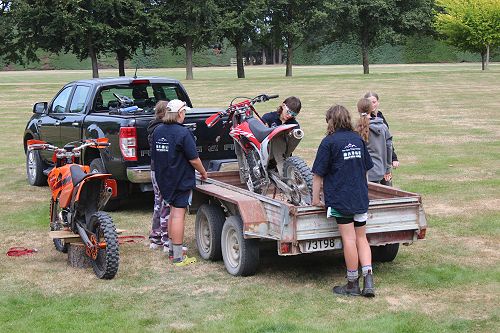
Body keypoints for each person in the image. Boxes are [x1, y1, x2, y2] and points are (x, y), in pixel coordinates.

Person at [311, 105, 375, 297]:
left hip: (341, 198)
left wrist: (315, 199)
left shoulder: (328, 142)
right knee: (362, 238)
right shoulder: (358, 139)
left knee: (349, 239)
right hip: (360, 197)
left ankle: (352, 284)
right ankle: (369, 281)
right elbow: (365, 170)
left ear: (330, 121)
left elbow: (317, 175)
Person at [151, 99, 208, 266]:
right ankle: (178, 257)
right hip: (180, 179)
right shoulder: (183, 133)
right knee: (178, 215)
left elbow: (155, 156)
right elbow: (194, 159)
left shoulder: (158, 131)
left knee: (170, 212)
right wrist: (203, 172)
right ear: (179, 113)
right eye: (184, 112)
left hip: (163, 179)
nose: (185, 115)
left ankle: (171, 251)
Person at [147, 101, 170, 251]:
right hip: (163, 171)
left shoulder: (152, 127)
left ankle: (155, 238)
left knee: (158, 203)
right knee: (166, 205)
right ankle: (166, 240)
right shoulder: (162, 130)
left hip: (154, 169)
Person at [364, 91, 399, 185]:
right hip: (372, 164)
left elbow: (388, 141)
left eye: (374, 102)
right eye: (369, 102)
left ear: (378, 102)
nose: (372, 105)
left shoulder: (381, 118)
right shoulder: (362, 122)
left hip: (384, 160)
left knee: (387, 189)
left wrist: (394, 158)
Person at [261, 96, 302, 175]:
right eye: (289, 112)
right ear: (283, 106)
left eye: (293, 114)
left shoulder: (294, 124)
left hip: (285, 153)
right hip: (268, 153)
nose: (290, 115)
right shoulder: (268, 117)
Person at [356, 98, 393, 184]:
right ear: (371, 109)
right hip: (379, 170)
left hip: (361, 172)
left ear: (358, 110)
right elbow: (389, 147)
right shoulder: (383, 127)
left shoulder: (356, 128)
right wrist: (387, 169)